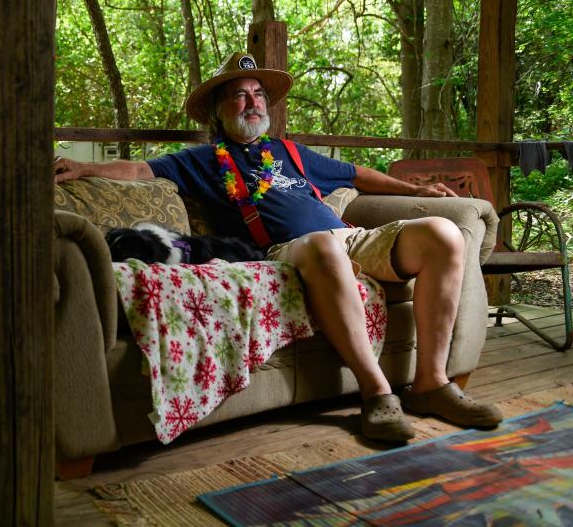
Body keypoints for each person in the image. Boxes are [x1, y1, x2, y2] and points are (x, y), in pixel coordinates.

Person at [54, 51, 503, 442]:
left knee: (445, 233)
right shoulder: (206, 160)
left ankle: (431, 384)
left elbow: (358, 175)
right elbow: (140, 172)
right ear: (219, 110)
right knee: (324, 251)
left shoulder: (291, 151)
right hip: (290, 253)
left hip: (352, 239)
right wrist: (83, 167)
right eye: (240, 95)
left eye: (259, 94)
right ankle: (377, 393)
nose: (253, 102)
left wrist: (419, 193)